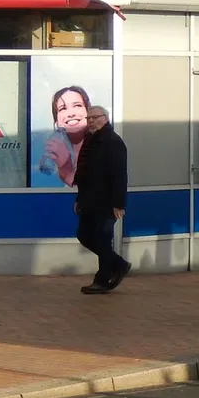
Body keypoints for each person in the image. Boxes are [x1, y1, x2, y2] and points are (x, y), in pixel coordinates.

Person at [73, 105, 130, 294]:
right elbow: (85, 175)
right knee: (84, 235)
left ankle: (102, 280)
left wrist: (119, 204)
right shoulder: (91, 141)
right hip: (89, 201)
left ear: (105, 118)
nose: (90, 121)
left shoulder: (113, 142)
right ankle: (119, 264)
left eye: (94, 117)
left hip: (106, 202)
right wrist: (79, 199)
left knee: (103, 239)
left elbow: (119, 175)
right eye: (88, 118)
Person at [39, 85, 91, 187]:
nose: (71, 114)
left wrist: (66, 171)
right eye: (63, 108)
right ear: (56, 120)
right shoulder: (50, 151)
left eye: (77, 105)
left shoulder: (103, 149)